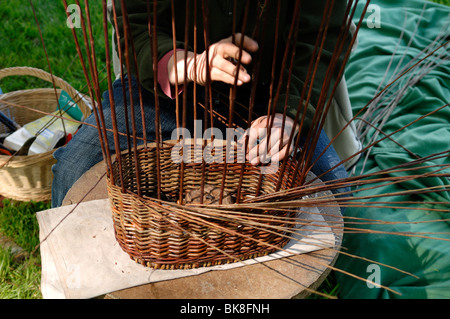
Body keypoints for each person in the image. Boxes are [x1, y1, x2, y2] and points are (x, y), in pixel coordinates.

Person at [51, 0, 361, 208]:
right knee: (73, 172)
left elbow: (324, 36)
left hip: (269, 98)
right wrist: (192, 66)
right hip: (164, 91)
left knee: (335, 201)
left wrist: (289, 114)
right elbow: (134, 27)